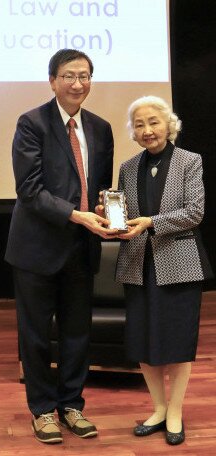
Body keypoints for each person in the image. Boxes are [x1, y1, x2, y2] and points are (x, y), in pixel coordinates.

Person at [4, 49, 116, 444]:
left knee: (76, 334)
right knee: (35, 337)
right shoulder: (32, 123)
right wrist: (76, 215)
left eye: (85, 76)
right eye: (69, 75)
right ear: (52, 81)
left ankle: (72, 405)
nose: (77, 83)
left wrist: (103, 209)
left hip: (81, 249)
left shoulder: (101, 129)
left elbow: (101, 186)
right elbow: (29, 189)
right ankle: (42, 410)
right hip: (36, 249)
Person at [113, 96, 213, 445]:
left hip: (179, 265)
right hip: (138, 264)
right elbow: (124, 214)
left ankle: (175, 411)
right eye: (139, 124)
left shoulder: (190, 161)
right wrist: (112, 217)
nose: (147, 130)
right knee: (143, 340)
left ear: (168, 124)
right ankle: (157, 407)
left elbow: (194, 212)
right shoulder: (127, 167)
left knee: (177, 341)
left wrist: (151, 222)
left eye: (153, 122)